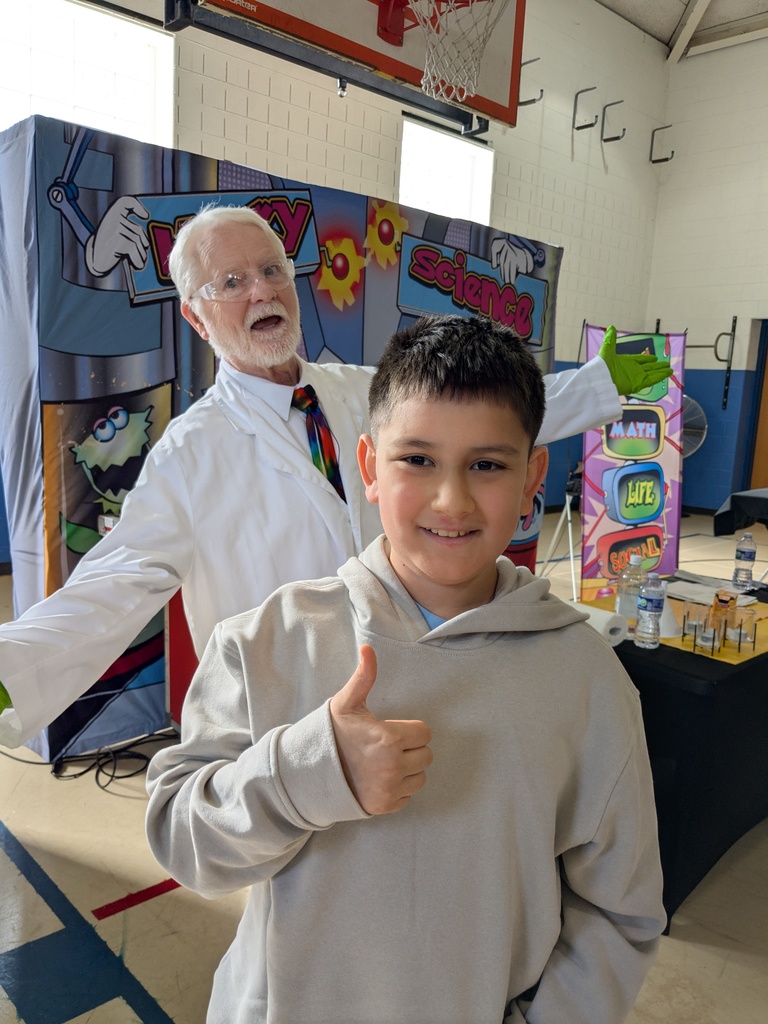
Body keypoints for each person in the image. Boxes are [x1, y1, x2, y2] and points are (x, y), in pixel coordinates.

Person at [145, 313, 665, 1024]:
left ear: (531, 477)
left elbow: (621, 910)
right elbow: (183, 840)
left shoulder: (586, 676)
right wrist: (303, 773)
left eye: (487, 464)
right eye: (417, 460)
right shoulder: (266, 640)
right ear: (368, 469)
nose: (451, 500)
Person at [0, 204, 670, 749]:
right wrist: (13, 669)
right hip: (290, 713)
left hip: (411, 671)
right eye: (230, 283)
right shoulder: (190, 455)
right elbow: (111, 584)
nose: (260, 290)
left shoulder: (365, 391)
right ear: (195, 316)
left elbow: (484, 421)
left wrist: (599, 385)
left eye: (270, 270)